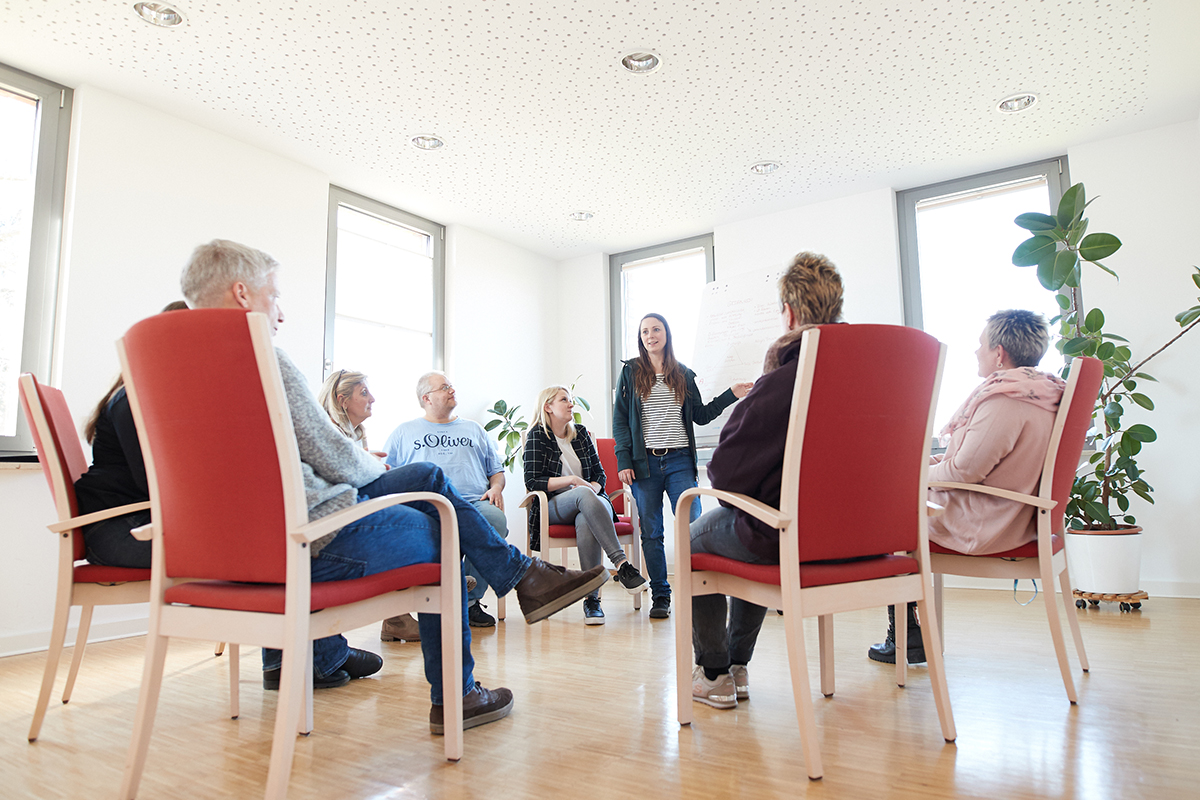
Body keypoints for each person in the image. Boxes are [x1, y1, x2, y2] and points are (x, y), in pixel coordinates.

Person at [180, 239, 608, 731]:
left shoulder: (166, 372)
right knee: (443, 524)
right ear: (241, 293)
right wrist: (380, 480)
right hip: (315, 539)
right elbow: (333, 456)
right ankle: (461, 691)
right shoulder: (262, 358)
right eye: (273, 297)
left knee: (426, 477)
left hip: (229, 552)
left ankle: (523, 578)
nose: (279, 314)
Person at [687, 252, 844, 708]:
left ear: (790, 314)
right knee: (759, 519)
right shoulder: (870, 372)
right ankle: (738, 665)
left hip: (790, 536)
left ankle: (717, 672)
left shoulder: (783, 379)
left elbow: (723, 472)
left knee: (694, 539)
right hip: (856, 538)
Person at [868, 309, 1064, 665]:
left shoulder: (1006, 399)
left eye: (981, 345)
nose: (976, 352)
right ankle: (908, 633)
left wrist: (909, 474)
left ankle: (905, 636)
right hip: (1017, 513)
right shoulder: (1041, 392)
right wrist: (928, 467)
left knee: (889, 519)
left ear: (999, 353)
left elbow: (963, 473)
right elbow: (977, 464)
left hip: (988, 521)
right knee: (901, 496)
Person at [613, 313, 752, 620]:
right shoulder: (631, 372)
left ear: (666, 334)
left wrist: (732, 394)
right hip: (643, 463)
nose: (651, 335)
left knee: (693, 525)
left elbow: (700, 415)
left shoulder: (683, 374)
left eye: (656, 329)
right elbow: (621, 419)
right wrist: (623, 459)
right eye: (645, 331)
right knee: (652, 532)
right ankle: (661, 595)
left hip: (678, 461)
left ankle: (701, 590)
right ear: (640, 338)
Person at [382, 371, 507, 630]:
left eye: (451, 386)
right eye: (444, 387)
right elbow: (388, 474)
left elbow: (496, 471)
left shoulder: (474, 429)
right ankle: (434, 601)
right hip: (429, 507)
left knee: (494, 519)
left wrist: (495, 488)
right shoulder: (404, 432)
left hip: (474, 502)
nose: (452, 390)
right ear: (426, 397)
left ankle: (469, 603)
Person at [74, 300, 189, 569]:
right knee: (239, 551)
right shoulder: (135, 399)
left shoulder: (149, 394)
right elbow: (154, 483)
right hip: (115, 529)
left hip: (133, 519)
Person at [523, 385, 649, 624]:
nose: (571, 404)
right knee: (582, 494)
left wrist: (593, 490)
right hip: (554, 507)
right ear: (547, 407)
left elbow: (600, 476)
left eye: (570, 400)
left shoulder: (580, 434)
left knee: (585, 516)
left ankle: (592, 601)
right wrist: (573, 481)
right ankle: (622, 565)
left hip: (588, 503)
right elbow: (532, 480)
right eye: (564, 400)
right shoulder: (537, 436)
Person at [319, 369, 424, 643]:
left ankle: (401, 614)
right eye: (364, 393)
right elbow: (338, 480)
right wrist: (368, 463)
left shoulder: (355, 434)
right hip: (334, 520)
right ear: (342, 400)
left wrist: (368, 462)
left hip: (351, 509)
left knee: (417, 505)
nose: (373, 399)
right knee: (423, 486)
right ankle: (439, 584)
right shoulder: (327, 432)